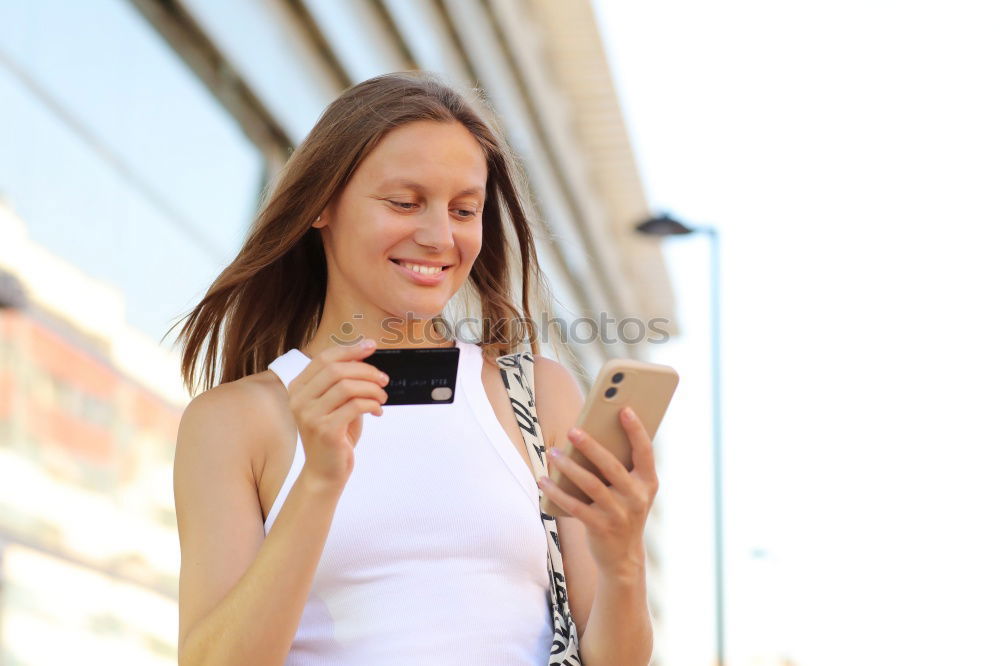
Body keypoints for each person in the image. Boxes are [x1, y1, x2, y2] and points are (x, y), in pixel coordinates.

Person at [169, 71, 657, 665]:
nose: (437, 236)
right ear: (322, 204)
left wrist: (625, 559)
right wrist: (319, 482)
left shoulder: (536, 393)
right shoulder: (236, 421)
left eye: (463, 209)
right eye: (404, 202)